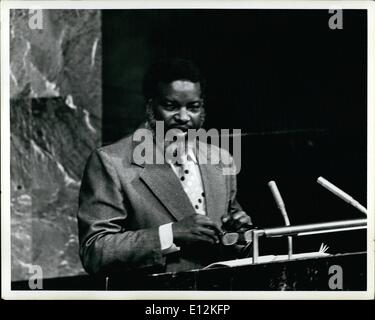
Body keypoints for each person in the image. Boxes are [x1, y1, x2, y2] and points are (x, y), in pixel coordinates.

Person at [77, 58, 253, 276]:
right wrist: (170, 234)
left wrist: (242, 234)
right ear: (150, 106)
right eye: (170, 106)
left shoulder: (220, 159)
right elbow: (95, 251)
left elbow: (236, 244)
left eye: (193, 107)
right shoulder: (112, 162)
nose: (183, 117)